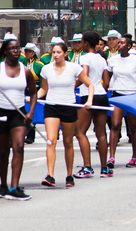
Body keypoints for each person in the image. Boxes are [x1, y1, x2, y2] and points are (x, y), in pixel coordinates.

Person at [38, 42, 94, 188]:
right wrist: (33, 98)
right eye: (53, 52)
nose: (55, 55)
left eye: (58, 52)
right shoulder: (46, 69)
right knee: (51, 140)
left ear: (65, 53)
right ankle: (50, 175)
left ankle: (69, 175)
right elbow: (44, 89)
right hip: (51, 106)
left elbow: (90, 84)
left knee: (68, 142)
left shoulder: (74, 68)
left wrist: (89, 100)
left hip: (69, 106)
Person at [0, 39, 37, 200]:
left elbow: (33, 92)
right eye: (12, 48)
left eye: (17, 48)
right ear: (5, 51)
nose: (16, 51)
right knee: (3, 151)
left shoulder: (26, 71)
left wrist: (30, 113)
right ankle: (3, 185)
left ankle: (14, 187)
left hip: (18, 113)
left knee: (19, 147)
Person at [104, 36, 136, 168]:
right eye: (118, 42)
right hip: (117, 95)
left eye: (122, 43)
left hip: (132, 96)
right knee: (115, 125)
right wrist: (106, 85)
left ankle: (134, 157)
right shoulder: (113, 60)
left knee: (133, 128)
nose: (119, 44)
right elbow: (107, 74)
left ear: (129, 46)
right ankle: (111, 157)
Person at [74, 31, 111, 179]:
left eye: (82, 42)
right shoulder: (101, 59)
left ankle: (87, 167)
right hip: (102, 95)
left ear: (86, 43)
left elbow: (84, 75)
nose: (81, 44)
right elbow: (106, 82)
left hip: (88, 96)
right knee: (101, 133)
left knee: (80, 132)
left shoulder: (85, 57)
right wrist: (100, 89)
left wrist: (72, 85)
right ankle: (104, 168)